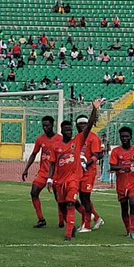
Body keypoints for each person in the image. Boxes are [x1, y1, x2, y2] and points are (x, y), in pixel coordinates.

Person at [51, 100, 103, 241]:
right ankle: (75, 224)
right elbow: (53, 163)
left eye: (70, 130)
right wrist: (50, 179)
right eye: (65, 129)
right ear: (62, 131)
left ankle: (70, 233)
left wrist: (94, 110)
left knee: (71, 202)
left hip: (75, 177)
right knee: (62, 205)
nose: (68, 131)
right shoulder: (56, 146)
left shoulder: (79, 140)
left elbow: (91, 126)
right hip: (60, 180)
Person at [109, 126, 134, 240]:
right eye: (122, 137)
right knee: (124, 206)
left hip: (133, 183)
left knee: (132, 202)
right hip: (121, 184)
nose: (124, 138)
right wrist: (122, 167)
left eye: (126, 136)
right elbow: (112, 166)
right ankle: (128, 229)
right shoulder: (116, 151)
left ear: (131, 137)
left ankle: (133, 230)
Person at [21, 115, 61, 228]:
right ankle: (41, 219)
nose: (45, 128)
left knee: (59, 198)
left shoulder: (59, 139)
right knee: (34, 192)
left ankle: (62, 220)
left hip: (56, 174)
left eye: (47, 125)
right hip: (43, 173)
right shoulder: (40, 139)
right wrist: (26, 169)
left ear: (52, 125)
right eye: (43, 126)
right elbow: (34, 154)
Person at [75, 113, 106, 233]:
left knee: (85, 197)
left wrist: (85, 164)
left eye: (84, 124)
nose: (82, 126)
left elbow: (96, 155)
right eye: (80, 124)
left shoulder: (93, 138)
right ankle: (96, 218)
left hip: (89, 172)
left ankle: (86, 225)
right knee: (79, 197)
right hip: (79, 172)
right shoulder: (77, 138)